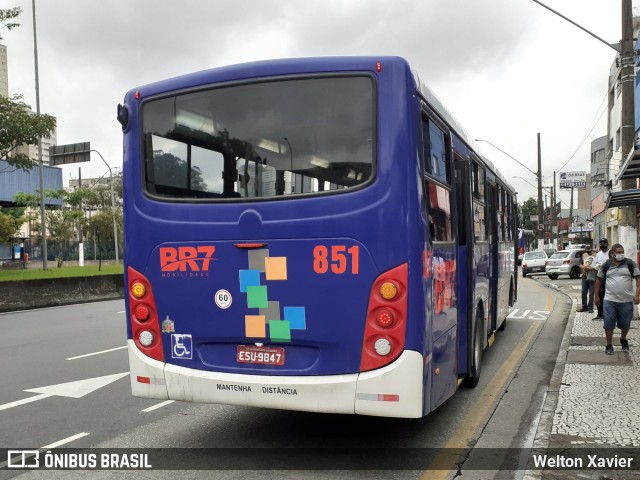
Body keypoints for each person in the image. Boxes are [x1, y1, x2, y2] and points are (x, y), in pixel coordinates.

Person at [594, 243, 640, 355]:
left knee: (625, 323)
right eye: (619, 252)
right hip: (610, 300)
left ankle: (623, 338)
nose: (621, 254)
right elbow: (599, 280)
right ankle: (609, 345)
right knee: (608, 323)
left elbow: (638, 279)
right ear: (613, 253)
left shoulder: (630, 263)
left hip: (626, 301)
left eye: (622, 252)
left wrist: (637, 295)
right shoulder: (606, 264)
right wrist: (596, 296)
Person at [592, 238, 610, 320]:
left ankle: (608, 314)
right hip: (600, 278)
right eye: (601, 243)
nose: (603, 245)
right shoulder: (598, 254)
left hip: (609, 277)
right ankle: (600, 314)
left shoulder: (610, 253)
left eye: (604, 243)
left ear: (607, 244)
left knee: (608, 296)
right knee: (599, 295)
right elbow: (596, 265)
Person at [577, 246, 596, 313]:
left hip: (592, 276)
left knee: (591, 293)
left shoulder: (595, 255)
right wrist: (583, 267)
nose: (588, 251)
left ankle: (590, 307)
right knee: (583, 292)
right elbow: (580, 264)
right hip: (584, 276)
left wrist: (589, 267)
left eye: (589, 249)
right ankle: (584, 306)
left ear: (591, 249)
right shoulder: (584, 255)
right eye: (586, 249)